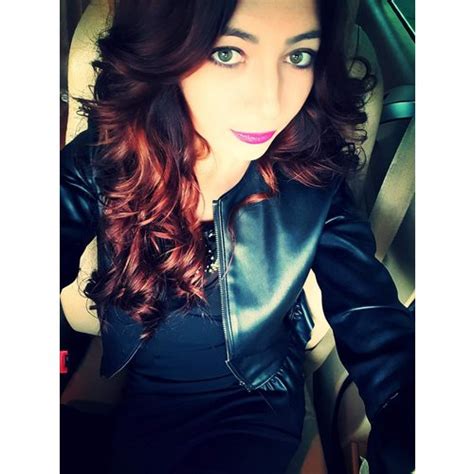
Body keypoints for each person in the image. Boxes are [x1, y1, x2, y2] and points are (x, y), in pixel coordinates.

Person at [60, 0, 415, 473]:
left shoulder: (313, 182)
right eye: (227, 53)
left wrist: (410, 423)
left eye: (298, 56)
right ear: (166, 48)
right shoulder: (109, 158)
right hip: (143, 399)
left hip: (251, 401)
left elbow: (373, 322)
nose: (269, 103)